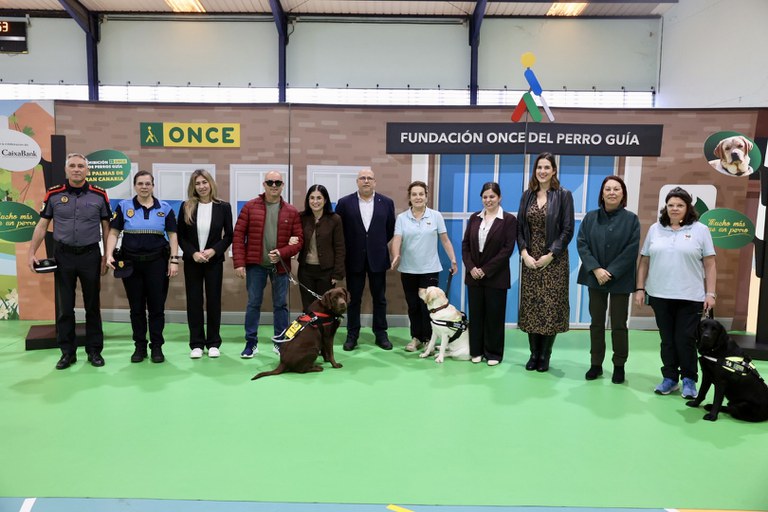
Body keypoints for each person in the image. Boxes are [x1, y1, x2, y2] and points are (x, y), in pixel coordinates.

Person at [27, 153, 111, 370]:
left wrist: (105, 255)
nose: (76, 169)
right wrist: (31, 252)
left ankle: (94, 351)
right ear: (66, 170)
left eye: (81, 166)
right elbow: (42, 225)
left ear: (87, 170)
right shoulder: (53, 194)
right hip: (63, 256)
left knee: (92, 306)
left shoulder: (100, 195)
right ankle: (67, 352)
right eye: (72, 166)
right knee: (65, 307)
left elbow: (106, 228)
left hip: (90, 255)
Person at [635, 186, 716, 399]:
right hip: (660, 295)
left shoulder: (700, 230)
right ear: (666, 207)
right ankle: (670, 378)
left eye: (680, 205)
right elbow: (644, 261)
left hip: (690, 297)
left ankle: (689, 380)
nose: (675, 208)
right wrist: (640, 288)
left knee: (685, 339)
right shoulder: (655, 229)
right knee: (667, 340)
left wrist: (711, 293)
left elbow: (710, 264)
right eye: (671, 205)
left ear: (688, 207)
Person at [105, 171, 179, 364]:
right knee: (136, 308)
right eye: (140, 183)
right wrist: (109, 254)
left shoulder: (165, 208)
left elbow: (173, 235)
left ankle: (157, 347)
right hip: (131, 265)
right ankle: (139, 346)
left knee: (157, 308)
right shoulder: (124, 206)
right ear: (135, 186)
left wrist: (174, 260)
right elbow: (113, 232)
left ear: (153, 186)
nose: (144, 187)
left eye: (147, 183)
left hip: (157, 264)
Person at [576, 176, 640, 384]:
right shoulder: (590, 218)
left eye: (616, 189)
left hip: (620, 279)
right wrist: (596, 269)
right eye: (608, 189)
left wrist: (610, 272)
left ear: (623, 194)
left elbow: (631, 249)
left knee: (619, 324)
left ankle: (619, 365)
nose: (612, 192)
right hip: (595, 278)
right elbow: (582, 243)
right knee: (596, 322)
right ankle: (596, 363)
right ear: (602, 194)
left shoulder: (631, 219)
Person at [232, 171, 303, 358]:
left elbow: (298, 241)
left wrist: (281, 253)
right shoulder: (250, 207)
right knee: (253, 304)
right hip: (255, 265)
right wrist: (239, 263)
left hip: (281, 267)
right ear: (264, 184)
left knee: (281, 305)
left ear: (282, 185)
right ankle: (251, 343)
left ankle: (280, 343)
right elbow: (238, 236)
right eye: (270, 182)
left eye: (277, 182)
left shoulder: (291, 211)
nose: (274, 185)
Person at [517, 152, 575, 372]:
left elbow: (567, 230)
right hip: (530, 261)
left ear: (554, 171)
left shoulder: (564, 195)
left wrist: (550, 255)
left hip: (554, 261)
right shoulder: (527, 196)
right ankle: (534, 354)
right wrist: (524, 254)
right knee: (532, 307)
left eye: (546, 167)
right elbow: (519, 228)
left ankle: (545, 356)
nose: (542, 171)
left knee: (550, 308)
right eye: (539, 167)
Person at [391, 181, 458, 352]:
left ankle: (429, 339)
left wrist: (453, 259)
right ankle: (416, 338)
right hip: (408, 270)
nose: (418, 197)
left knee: (426, 306)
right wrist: (396, 254)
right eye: (414, 194)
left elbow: (445, 239)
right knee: (413, 305)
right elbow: (397, 239)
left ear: (426, 197)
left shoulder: (436, 216)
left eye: (421, 194)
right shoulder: (402, 218)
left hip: (430, 269)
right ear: (410, 197)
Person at [335, 168, 396, 351]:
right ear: (357, 182)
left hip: (378, 258)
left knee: (380, 299)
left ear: (375, 182)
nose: (366, 181)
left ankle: (381, 334)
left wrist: (375, 244)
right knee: (353, 299)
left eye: (369, 178)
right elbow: (340, 231)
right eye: (363, 178)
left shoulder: (387, 203)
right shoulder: (344, 203)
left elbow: (389, 229)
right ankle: (352, 335)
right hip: (354, 258)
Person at [177, 169, 233, 359]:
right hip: (192, 261)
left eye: (204, 182)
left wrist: (214, 250)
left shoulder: (223, 207)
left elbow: (229, 235)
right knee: (194, 301)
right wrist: (192, 253)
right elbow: (181, 236)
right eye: (197, 183)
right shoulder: (186, 206)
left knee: (213, 300)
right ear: (193, 187)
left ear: (210, 183)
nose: (201, 186)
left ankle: (214, 343)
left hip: (213, 261)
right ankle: (196, 344)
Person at [461, 182, 517, 366]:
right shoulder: (474, 218)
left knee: (494, 316)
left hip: (496, 277)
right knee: (476, 315)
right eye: (485, 197)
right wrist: (471, 268)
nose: (488, 200)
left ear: (499, 198)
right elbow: (465, 246)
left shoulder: (508, 220)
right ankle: (476, 351)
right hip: (474, 276)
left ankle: (493, 353)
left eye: (492, 196)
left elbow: (507, 249)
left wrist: (485, 270)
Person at [297, 184, 345, 311]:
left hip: (327, 273)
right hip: (305, 271)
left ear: (325, 200)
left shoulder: (335, 219)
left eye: (319, 198)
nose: (315, 201)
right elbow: (295, 237)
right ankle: (310, 325)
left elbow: (340, 247)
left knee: (326, 307)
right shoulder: (301, 217)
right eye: (312, 198)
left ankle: (325, 325)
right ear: (308, 200)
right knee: (308, 307)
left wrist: (337, 273)